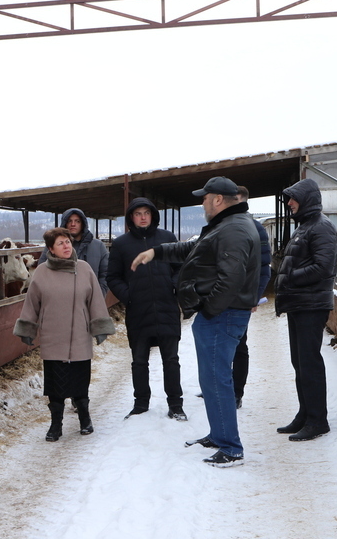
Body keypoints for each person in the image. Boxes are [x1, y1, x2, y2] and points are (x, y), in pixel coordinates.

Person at [130, 176, 260, 468]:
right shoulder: (225, 226)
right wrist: (157, 251)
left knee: (217, 380)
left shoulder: (234, 230)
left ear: (217, 200)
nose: (201, 203)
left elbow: (231, 278)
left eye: (204, 198)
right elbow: (192, 249)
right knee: (211, 379)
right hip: (218, 315)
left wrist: (209, 309)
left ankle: (231, 448)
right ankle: (219, 434)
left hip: (222, 316)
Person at [14, 227, 115, 442]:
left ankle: (85, 418)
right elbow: (31, 303)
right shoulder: (41, 272)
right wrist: (28, 328)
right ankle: (55, 424)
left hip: (80, 334)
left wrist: (100, 328)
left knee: (80, 380)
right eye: (60, 243)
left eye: (68, 241)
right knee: (55, 384)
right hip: (53, 336)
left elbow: (95, 299)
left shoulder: (85, 269)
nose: (66, 246)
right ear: (50, 249)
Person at [106, 197, 186, 421]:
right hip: (138, 310)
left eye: (146, 213)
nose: (142, 217)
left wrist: (173, 285)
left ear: (152, 215)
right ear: (131, 217)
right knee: (139, 360)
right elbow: (112, 276)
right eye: (137, 213)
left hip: (166, 307)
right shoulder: (121, 244)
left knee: (171, 359)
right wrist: (128, 295)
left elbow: (181, 267)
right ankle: (141, 403)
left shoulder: (167, 239)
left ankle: (176, 404)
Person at [274, 178, 337, 441]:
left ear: (307, 199)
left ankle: (317, 420)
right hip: (299, 303)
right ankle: (306, 413)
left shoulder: (322, 228)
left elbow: (324, 268)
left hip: (311, 304)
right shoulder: (305, 227)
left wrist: (289, 276)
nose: (289, 203)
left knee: (309, 363)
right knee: (299, 362)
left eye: (293, 198)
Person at [232, 186, 272, 409]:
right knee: (219, 346)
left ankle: (237, 392)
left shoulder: (256, 229)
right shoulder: (220, 226)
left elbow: (264, 266)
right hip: (219, 298)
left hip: (241, 299)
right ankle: (221, 385)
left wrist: (254, 297)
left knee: (239, 345)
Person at [38, 208, 109, 296]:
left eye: (77, 221)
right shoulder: (54, 246)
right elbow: (42, 272)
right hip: (61, 299)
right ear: (64, 223)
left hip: (91, 298)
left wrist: (99, 295)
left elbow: (106, 273)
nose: (73, 224)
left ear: (83, 223)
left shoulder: (98, 246)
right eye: (69, 221)